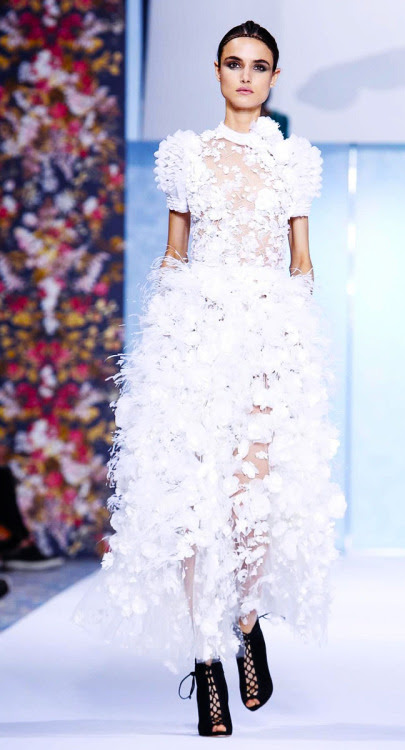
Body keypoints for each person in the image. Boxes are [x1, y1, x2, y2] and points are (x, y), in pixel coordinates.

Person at [72, 19, 346, 737]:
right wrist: (165, 349)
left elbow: (302, 263)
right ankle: (205, 659)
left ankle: (247, 619)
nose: (245, 75)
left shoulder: (293, 161)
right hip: (194, 339)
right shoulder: (186, 155)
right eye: (233, 63)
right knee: (194, 506)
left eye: (258, 65)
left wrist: (288, 348)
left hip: (264, 342)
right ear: (217, 71)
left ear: (274, 77)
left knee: (252, 499)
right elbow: (175, 255)